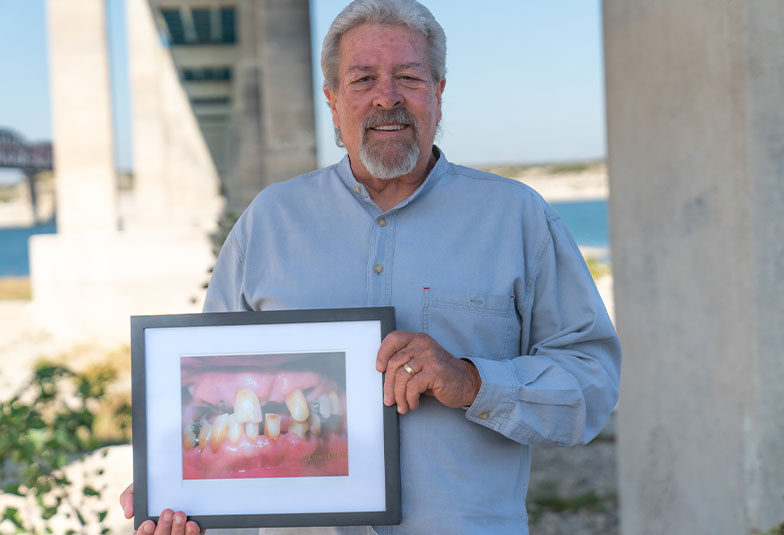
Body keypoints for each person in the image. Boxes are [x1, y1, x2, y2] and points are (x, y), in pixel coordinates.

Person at [120, 0, 621, 533]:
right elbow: (207, 393)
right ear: (332, 101)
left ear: (439, 94)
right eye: (363, 79)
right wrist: (179, 486)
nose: (388, 97)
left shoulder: (517, 217)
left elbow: (591, 384)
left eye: (409, 76)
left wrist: (473, 381)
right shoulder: (268, 221)